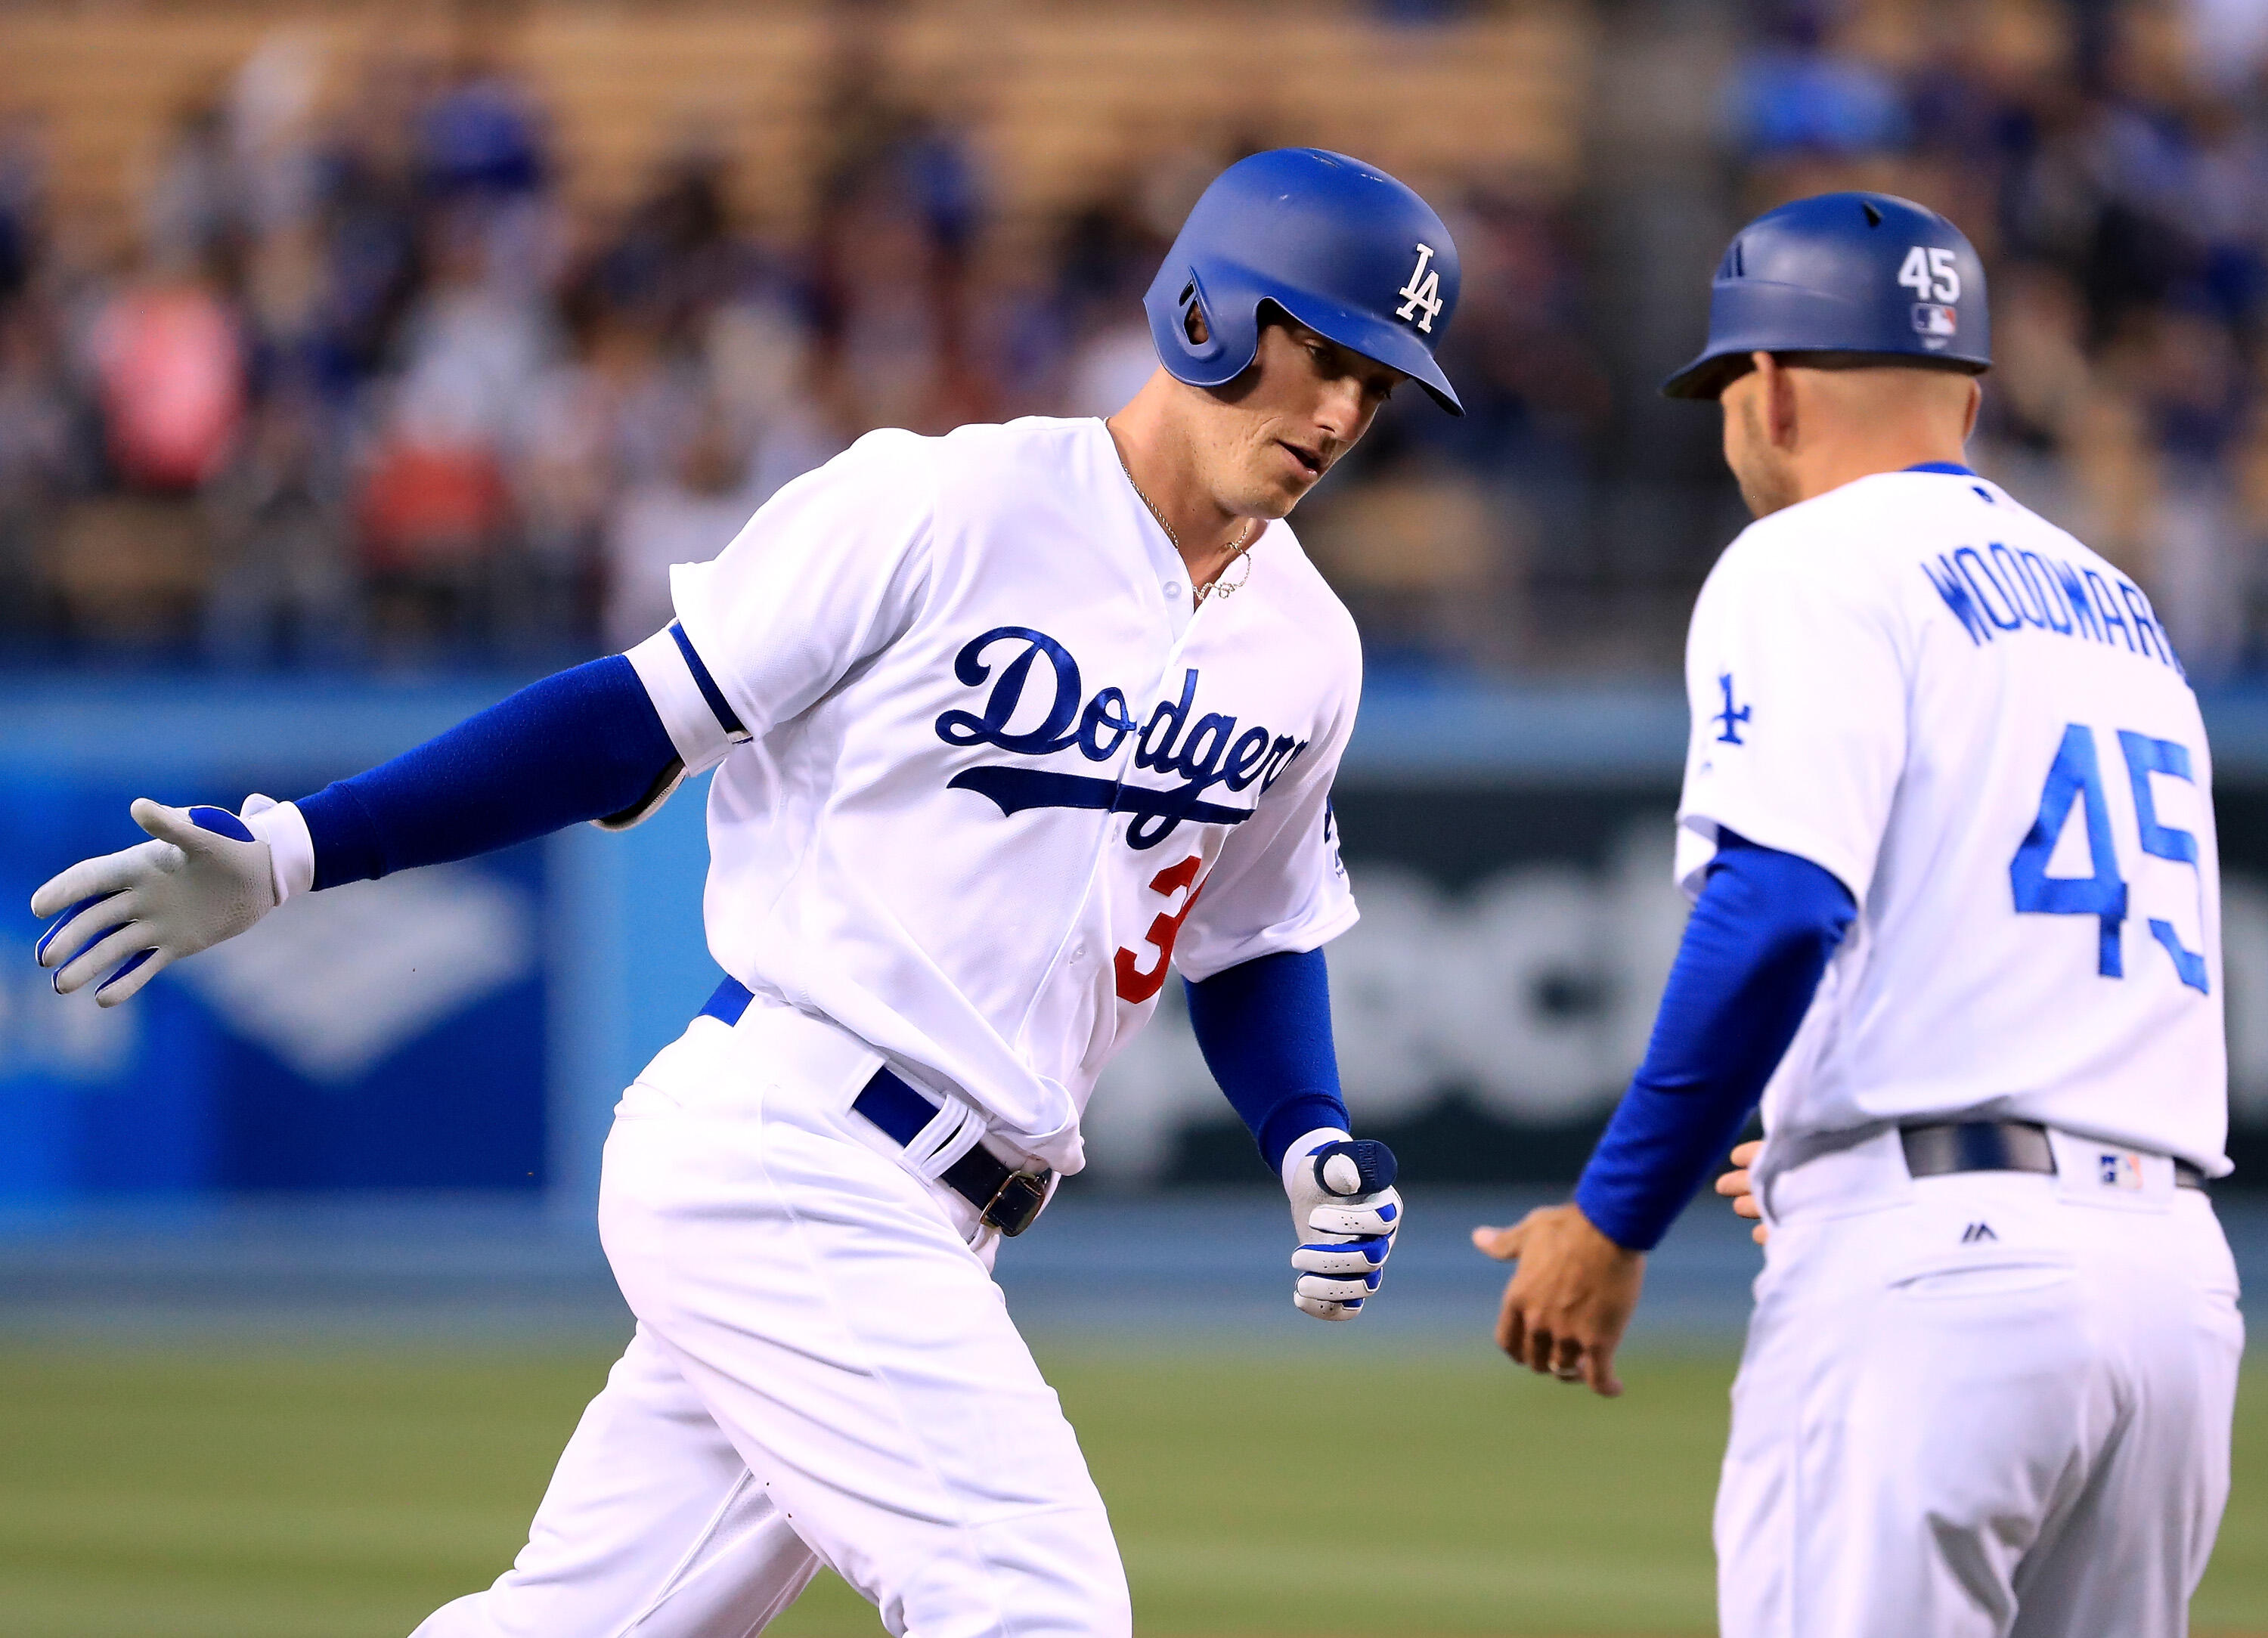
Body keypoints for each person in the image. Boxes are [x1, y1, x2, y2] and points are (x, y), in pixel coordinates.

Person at [30, 147, 1458, 1637]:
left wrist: (1308, 1130)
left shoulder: (1309, 646)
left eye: (1384, 384)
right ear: (1215, 311)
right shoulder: (945, 502)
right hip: (797, 1142)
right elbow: (629, 720)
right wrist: (297, 850)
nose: (1347, 412)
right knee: (1035, 1603)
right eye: (1327, 351)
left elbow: (1252, 929)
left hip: (936, 1210)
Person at [1473, 193, 2241, 1636]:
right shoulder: (2124, 612)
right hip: (2175, 1295)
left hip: (1943, 1295)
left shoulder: (1811, 559)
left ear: (1764, 384)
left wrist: (1613, 1218)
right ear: (1967, 387)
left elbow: (1772, 910)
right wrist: (1844, 1121)